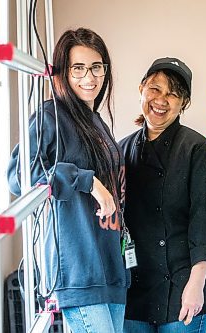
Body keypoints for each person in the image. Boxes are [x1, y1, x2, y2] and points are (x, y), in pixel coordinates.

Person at [7, 27, 129, 333]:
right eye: (79, 68)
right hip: (80, 271)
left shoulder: (96, 121)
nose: (90, 77)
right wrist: (88, 182)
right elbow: (20, 176)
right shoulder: (51, 117)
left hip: (110, 268)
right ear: (63, 73)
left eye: (97, 67)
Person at [119, 57, 206, 333]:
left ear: (183, 104)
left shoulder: (197, 149)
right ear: (141, 88)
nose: (161, 100)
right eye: (155, 89)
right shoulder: (122, 150)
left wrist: (196, 284)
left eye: (173, 94)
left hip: (184, 287)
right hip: (136, 290)